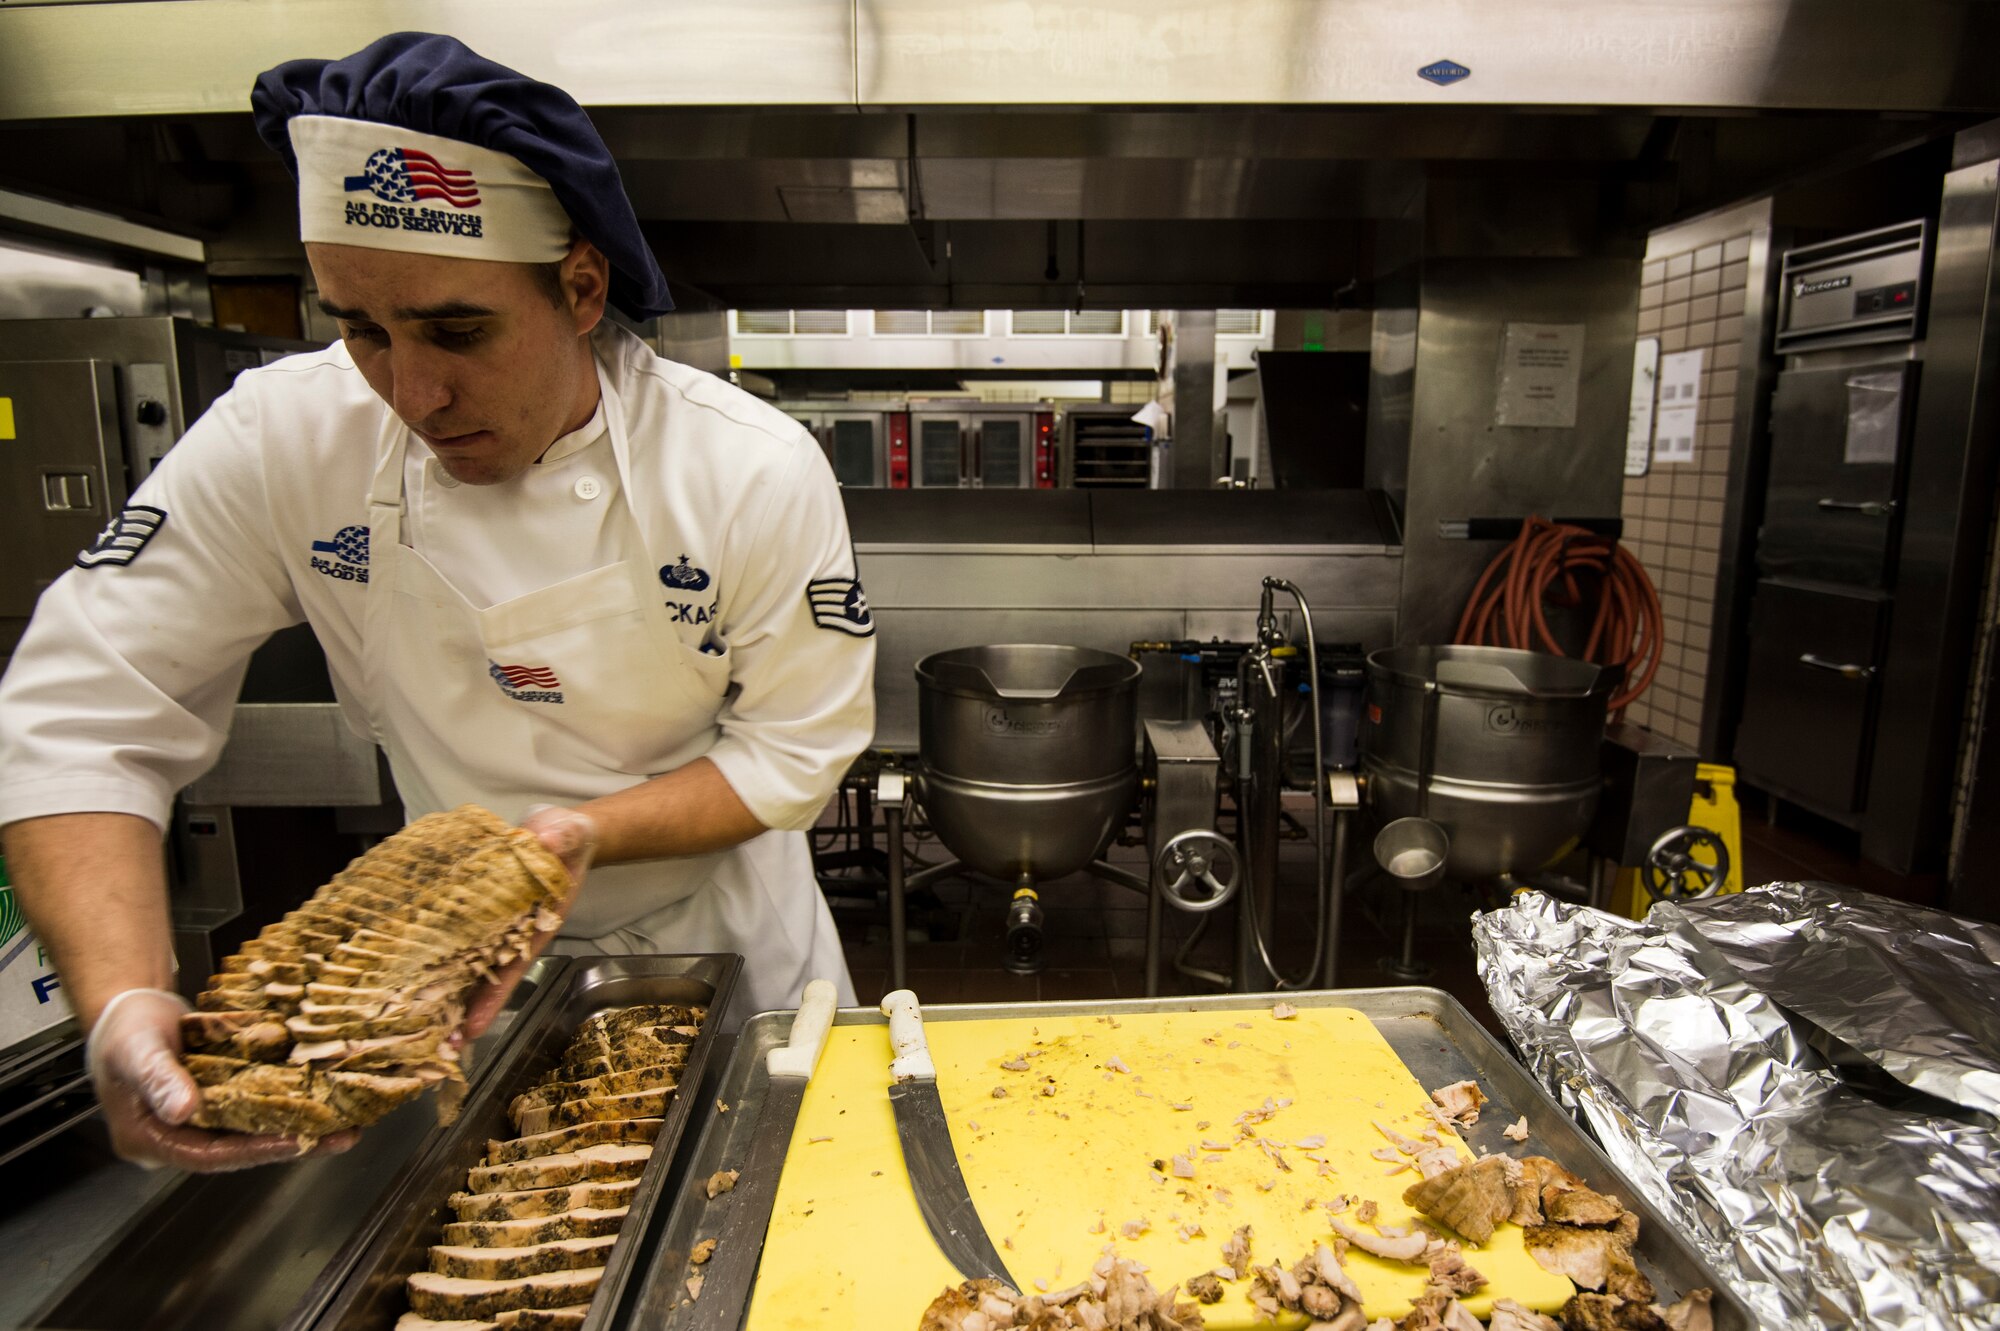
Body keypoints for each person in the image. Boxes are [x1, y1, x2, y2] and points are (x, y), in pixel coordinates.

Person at [0, 33, 874, 1171]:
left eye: (458, 329)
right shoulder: (284, 438)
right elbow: (83, 708)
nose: (412, 391)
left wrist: (566, 840)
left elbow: (793, 750)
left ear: (578, 286)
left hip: (735, 950)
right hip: (446, 984)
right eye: (361, 329)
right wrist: (118, 1000)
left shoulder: (743, 468)